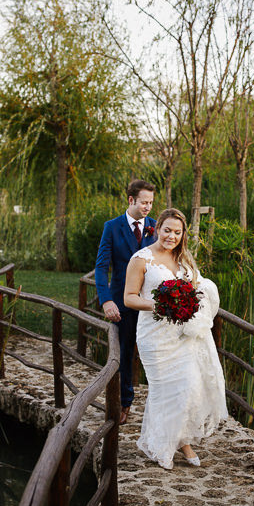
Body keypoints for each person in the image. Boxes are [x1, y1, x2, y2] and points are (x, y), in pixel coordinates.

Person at [123, 208, 228, 469]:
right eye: (167, 230)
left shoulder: (184, 260)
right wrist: (158, 305)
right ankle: (169, 445)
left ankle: (180, 442)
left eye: (177, 232)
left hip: (182, 335)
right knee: (163, 391)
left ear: (183, 235)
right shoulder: (141, 259)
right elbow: (129, 297)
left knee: (186, 389)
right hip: (154, 337)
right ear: (157, 228)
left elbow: (197, 288)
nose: (171, 236)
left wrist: (192, 303)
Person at [95, 180, 157, 425]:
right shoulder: (111, 227)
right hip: (122, 302)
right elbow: (101, 267)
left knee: (155, 353)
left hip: (151, 303)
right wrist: (106, 300)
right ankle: (124, 403)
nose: (148, 207)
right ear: (131, 200)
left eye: (151, 202)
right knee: (123, 353)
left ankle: (160, 406)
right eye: (144, 202)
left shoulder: (155, 227)